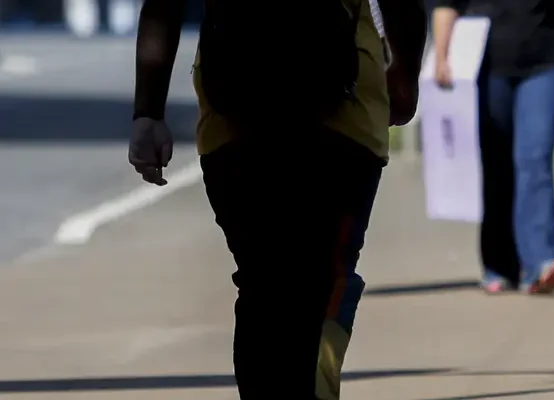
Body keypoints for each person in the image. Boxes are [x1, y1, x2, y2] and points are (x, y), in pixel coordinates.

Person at [127, 0, 426, 397]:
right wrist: (404, 77)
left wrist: (148, 113)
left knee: (262, 287)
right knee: (324, 281)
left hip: (234, 113)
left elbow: (163, 5)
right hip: (344, 116)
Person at [431, 0, 554, 294]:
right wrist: (441, 57)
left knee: (534, 158)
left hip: (547, 64)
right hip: (485, 68)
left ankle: (543, 261)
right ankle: (499, 265)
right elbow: (447, 5)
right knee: (497, 164)